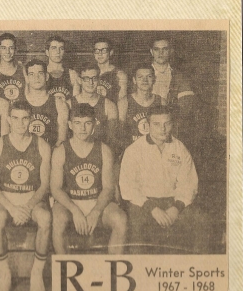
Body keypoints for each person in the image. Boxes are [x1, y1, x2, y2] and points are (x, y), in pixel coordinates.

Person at [119, 105, 209, 254]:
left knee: (202, 221)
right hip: (143, 204)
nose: (163, 129)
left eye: (167, 123)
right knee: (137, 226)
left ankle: (197, 268)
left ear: (172, 124)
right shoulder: (134, 150)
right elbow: (128, 187)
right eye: (157, 124)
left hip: (173, 202)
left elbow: (189, 184)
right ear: (147, 126)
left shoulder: (180, 148)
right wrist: (152, 208)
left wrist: (176, 208)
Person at [0, 100, 52, 291]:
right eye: (15, 118)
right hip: (6, 199)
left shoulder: (41, 145)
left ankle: (36, 274)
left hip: (31, 199)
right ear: (8, 119)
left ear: (31, 120)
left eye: (25, 119)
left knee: (46, 219)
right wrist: (12, 208)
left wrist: (27, 206)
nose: (20, 123)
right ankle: (5, 274)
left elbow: (44, 185)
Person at [51, 103, 126, 254]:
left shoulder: (104, 150)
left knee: (120, 219)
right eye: (78, 123)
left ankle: (114, 270)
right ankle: (64, 269)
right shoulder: (61, 151)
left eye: (87, 123)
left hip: (96, 202)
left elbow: (109, 188)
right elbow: (56, 189)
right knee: (58, 219)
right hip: (70, 203)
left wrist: (96, 211)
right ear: (70, 125)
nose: (83, 128)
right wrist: (75, 210)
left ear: (94, 124)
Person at [150, 38, 195, 147]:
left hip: (169, 127)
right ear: (151, 51)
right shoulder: (142, 74)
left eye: (164, 49)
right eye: (157, 49)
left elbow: (185, 108)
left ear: (170, 51)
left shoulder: (179, 77)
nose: (160, 53)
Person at [71, 62, 119, 149]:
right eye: (86, 78)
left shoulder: (109, 106)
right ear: (79, 80)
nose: (91, 82)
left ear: (99, 80)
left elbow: (111, 139)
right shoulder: (69, 104)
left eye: (94, 78)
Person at [23, 59, 69, 147]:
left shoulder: (59, 103)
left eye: (40, 73)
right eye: (32, 74)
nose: (36, 78)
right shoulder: (19, 102)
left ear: (47, 76)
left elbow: (62, 139)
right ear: (27, 79)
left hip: (51, 154)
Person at [118, 64, 165, 148]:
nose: (145, 80)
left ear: (154, 79)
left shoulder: (161, 101)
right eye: (140, 77)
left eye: (149, 76)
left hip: (155, 150)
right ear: (134, 80)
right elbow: (120, 133)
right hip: (132, 151)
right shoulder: (124, 102)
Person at [92, 39, 128, 103]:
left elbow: (122, 102)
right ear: (94, 53)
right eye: (97, 51)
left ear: (111, 52)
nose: (100, 54)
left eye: (104, 50)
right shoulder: (88, 73)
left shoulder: (120, 75)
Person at [45, 36, 79, 101]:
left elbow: (75, 104)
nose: (58, 52)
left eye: (61, 48)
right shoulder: (42, 73)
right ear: (47, 52)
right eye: (54, 48)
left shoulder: (72, 74)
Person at [0, 33, 26, 103]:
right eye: (4, 48)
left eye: (11, 48)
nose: (7, 52)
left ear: (16, 50)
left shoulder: (23, 71)